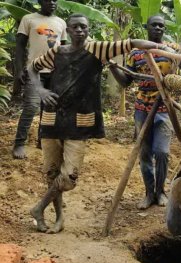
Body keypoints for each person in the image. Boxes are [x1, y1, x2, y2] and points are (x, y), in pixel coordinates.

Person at [28, 13, 168, 234]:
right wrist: (41, 90)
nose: (80, 31)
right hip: (51, 119)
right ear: (69, 30)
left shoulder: (97, 49)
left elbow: (132, 43)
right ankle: (58, 217)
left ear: (88, 29)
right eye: (75, 27)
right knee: (52, 173)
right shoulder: (57, 52)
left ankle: (39, 208)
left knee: (70, 177)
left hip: (80, 121)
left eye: (83, 27)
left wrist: (164, 49)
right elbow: (33, 68)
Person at [109, 15, 181, 210]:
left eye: (161, 26)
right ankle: (149, 193)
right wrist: (113, 68)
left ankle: (161, 191)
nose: (158, 28)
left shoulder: (170, 49)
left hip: (164, 108)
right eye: (154, 25)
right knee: (145, 153)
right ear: (146, 26)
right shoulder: (136, 53)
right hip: (142, 109)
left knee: (162, 152)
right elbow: (126, 81)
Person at [12, 0, 67, 159]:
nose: (52, 2)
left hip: (54, 71)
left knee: (49, 108)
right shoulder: (28, 19)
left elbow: (63, 49)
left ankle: (41, 139)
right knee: (31, 106)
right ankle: (19, 143)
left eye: (55, 0)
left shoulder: (61, 22)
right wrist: (18, 71)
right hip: (34, 70)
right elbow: (20, 46)